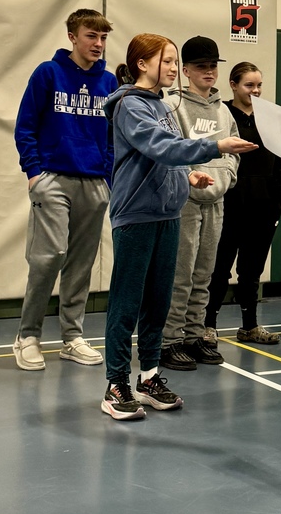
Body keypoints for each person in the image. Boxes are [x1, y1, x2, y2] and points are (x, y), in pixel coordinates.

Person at [101, 35, 255, 420]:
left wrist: (186, 179)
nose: (173, 68)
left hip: (168, 214)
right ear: (141, 64)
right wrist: (216, 147)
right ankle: (116, 383)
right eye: (166, 61)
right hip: (136, 217)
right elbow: (161, 147)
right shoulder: (130, 105)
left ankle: (149, 376)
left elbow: (168, 155)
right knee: (127, 302)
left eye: (173, 61)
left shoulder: (158, 105)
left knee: (158, 301)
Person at [13, 8, 117, 372]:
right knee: (50, 255)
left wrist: (106, 178)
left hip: (93, 182)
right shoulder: (48, 73)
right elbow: (25, 125)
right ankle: (28, 336)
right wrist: (34, 173)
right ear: (73, 36)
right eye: (92, 36)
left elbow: (111, 137)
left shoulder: (109, 83)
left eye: (103, 37)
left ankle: (72, 337)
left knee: (81, 263)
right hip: (53, 178)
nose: (98, 44)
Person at [160, 36, 240, 371]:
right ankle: (169, 341)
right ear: (187, 70)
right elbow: (171, 150)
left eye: (212, 66)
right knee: (181, 273)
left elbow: (234, 151)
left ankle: (194, 336)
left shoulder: (224, 111)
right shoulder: (172, 107)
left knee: (204, 273)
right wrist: (191, 179)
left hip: (216, 202)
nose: (208, 71)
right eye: (201, 66)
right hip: (185, 202)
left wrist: (226, 178)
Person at [205, 63, 281, 346]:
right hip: (230, 203)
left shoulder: (270, 117)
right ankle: (208, 326)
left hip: (264, 206)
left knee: (252, 270)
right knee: (219, 267)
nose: (255, 91)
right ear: (233, 84)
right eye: (248, 85)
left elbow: (279, 161)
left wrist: (278, 200)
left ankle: (249, 326)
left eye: (258, 86)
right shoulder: (222, 113)